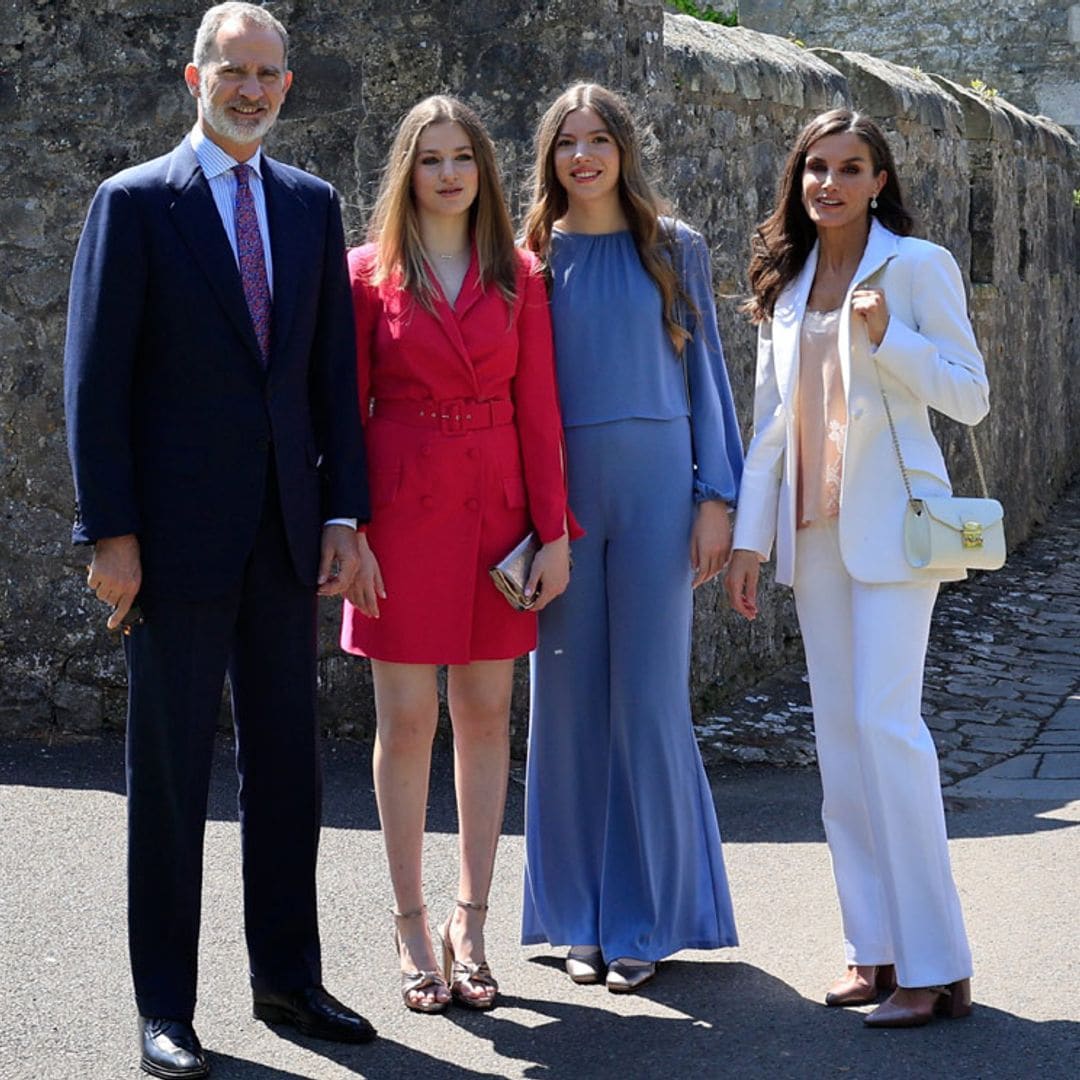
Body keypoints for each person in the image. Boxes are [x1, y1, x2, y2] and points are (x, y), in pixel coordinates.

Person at [64, 5, 375, 1076]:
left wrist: (343, 511)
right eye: (232, 71)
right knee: (170, 775)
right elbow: (95, 386)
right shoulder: (136, 203)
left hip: (289, 535)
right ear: (195, 75)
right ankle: (166, 1009)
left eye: (267, 74)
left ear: (288, 85)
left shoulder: (311, 205)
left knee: (289, 769)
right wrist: (111, 533)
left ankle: (289, 982)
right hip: (175, 542)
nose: (249, 89)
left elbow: (334, 376)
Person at [725, 108, 986, 1028]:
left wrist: (892, 340)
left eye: (850, 168)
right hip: (814, 534)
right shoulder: (788, 283)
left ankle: (934, 960)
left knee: (887, 727)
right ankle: (872, 947)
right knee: (839, 740)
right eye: (814, 169)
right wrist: (752, 541)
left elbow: (971, 395)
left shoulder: (915, 268)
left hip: (900, 530)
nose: (829, 183)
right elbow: (768, 425)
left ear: (880, 181)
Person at [341, 95, 574, 1014]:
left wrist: (553, 533)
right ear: (409, 172)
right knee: (405, 724)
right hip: (398, 516)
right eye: (431, 159)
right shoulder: (366, 276)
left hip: (498, 519)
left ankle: (470, 922)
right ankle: (408, 923)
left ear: (484, 172)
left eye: (463, 159)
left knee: (485, 716)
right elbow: (343, 412)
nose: (448, 174)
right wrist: (347, 527)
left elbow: (541, 412)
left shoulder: (519, 274)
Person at [520, 83, 743, 993]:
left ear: (624, 148)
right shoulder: (527, 255)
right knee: (566, 706)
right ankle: (578, 918)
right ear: (549, 156)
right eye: (567, 141)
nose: (584, 156)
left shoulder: (672, 248)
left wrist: (717, 497)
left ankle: (647, 915)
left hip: (659, 494)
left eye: (599, 138)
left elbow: (710, 379)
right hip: (561, 499)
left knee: (648, 702)